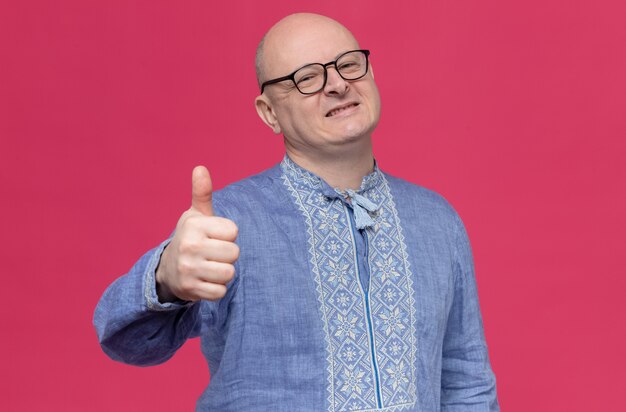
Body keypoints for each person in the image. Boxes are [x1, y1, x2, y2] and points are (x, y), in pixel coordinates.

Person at [94, 13, 499, 411]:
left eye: (349, 64)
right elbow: (125, 339)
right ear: (269, 112)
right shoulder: (228, 223)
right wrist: (166, 279)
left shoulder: (436, 221)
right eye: (307, 78)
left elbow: (466, 381)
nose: (338, 84)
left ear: (371, 75)